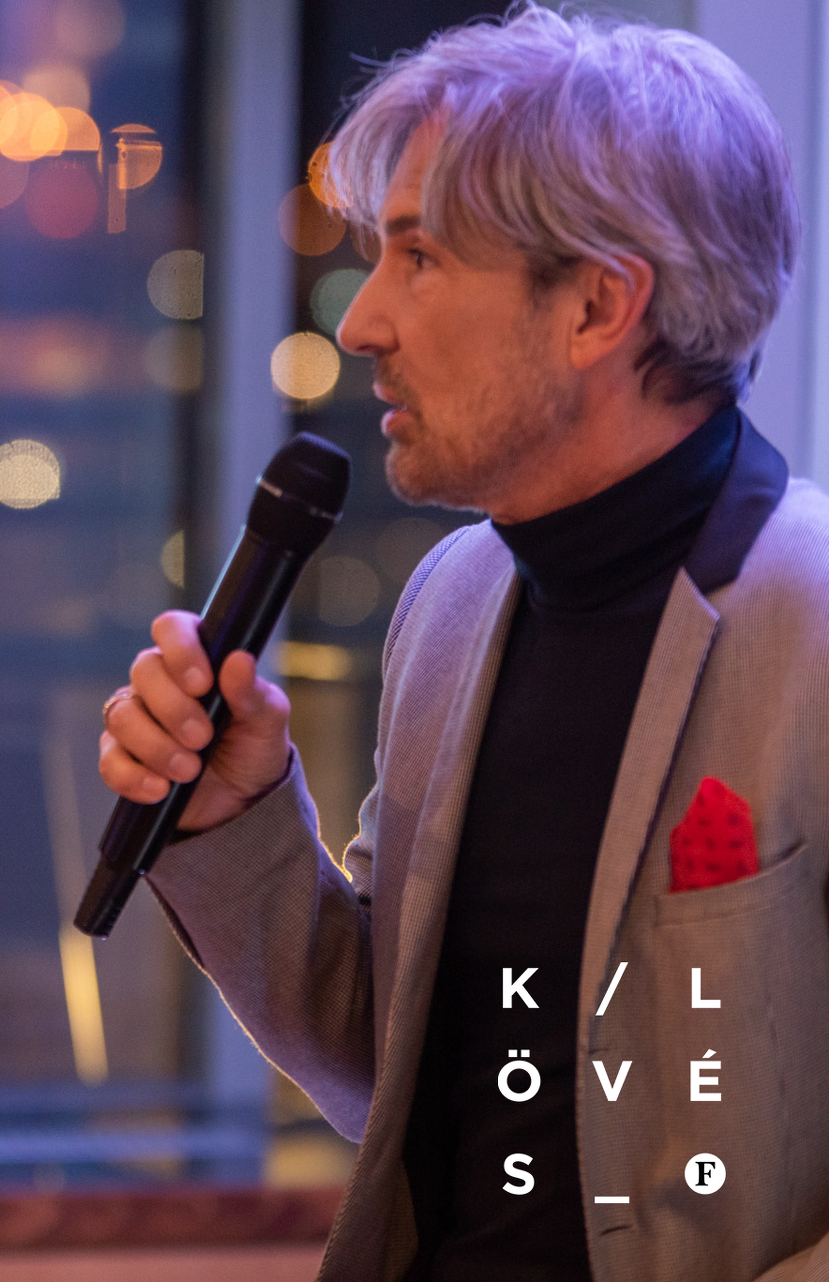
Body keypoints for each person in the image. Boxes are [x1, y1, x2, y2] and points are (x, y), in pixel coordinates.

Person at [99, 8, 829, 1281]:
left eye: (420, 256)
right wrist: (236, 819)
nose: (361, 321)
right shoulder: (454, 599)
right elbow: (396, 1074)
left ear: (597, 305)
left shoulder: (810, 623)